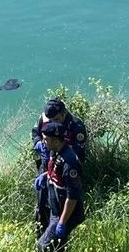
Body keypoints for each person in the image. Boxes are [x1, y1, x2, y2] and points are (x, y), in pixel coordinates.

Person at [30, 98, 87, 234]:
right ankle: (41, 235)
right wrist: (38, 143)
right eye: (50, 120)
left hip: (63, 170)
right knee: (41, 202)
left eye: (56, 119)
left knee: (60, 205)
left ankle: (57, 238)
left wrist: (57, 158)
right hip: (45, 166)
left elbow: (78, 155)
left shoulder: (76, 126)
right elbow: (35, 132)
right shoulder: (45, 117)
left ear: (64, 113)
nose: (52, 123)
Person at [35, 122, 85, 252]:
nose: (43, 142)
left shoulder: (69, 163)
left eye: (46, 139)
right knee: (59, 248)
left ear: (56, 140)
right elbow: (56, 174)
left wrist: (62, 222)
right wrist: (45, 176)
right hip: (56, 209)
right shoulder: (55, 152)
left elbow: (73, 196)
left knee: (42, 246)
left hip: (66, 213)